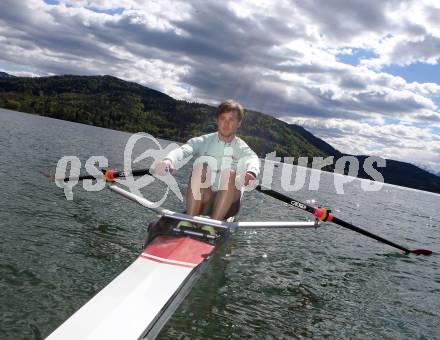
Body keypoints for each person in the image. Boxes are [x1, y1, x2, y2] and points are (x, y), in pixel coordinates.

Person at [155, 99, 260, 228]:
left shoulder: (242, 148)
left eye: (231, 120)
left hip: (229, 205)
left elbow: (253, 160)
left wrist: (251, 172)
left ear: (238, 123)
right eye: (223, 118)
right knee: (201, 167)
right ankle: (189, 220)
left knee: (230, 173)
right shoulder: (203, 141)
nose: (226, 124)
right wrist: (168, 160)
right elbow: (183, 150)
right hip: (205, 199)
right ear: (217, 120)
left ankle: (213, 226)